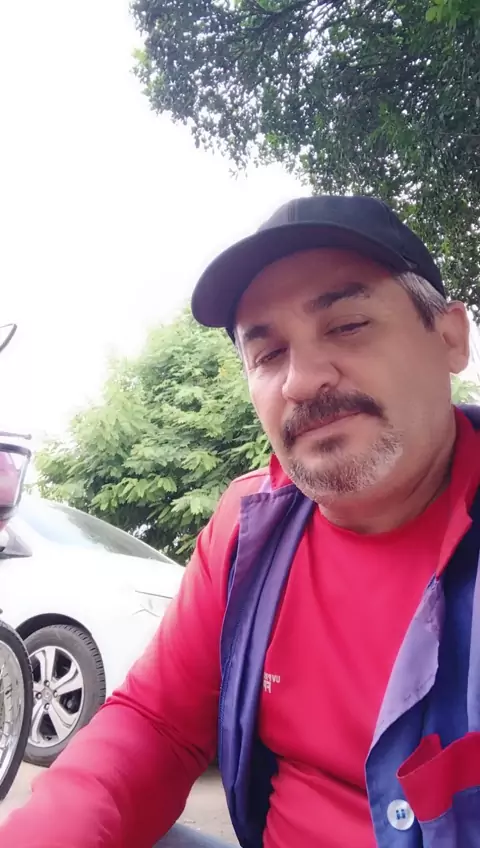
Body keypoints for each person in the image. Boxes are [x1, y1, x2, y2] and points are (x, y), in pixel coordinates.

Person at [2, 195, 480, 848]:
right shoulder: (250, 527)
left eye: (347, 325)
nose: (302, 380)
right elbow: (156, 723)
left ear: (450, 338)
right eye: (269, 353)